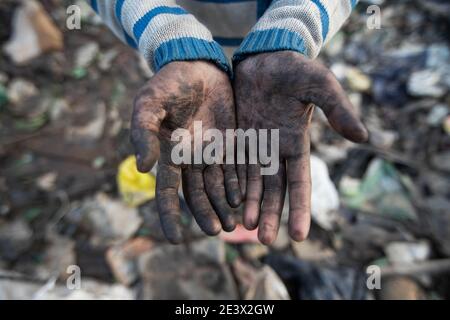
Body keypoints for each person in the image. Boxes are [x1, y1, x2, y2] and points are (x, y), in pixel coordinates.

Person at [87, 0, 368, 245]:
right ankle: (213, 203)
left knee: (261, 155)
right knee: (185, 138)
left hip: (283, 48)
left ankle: (240, 210)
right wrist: (168, 39)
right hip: (169, 52)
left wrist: (291, 28)